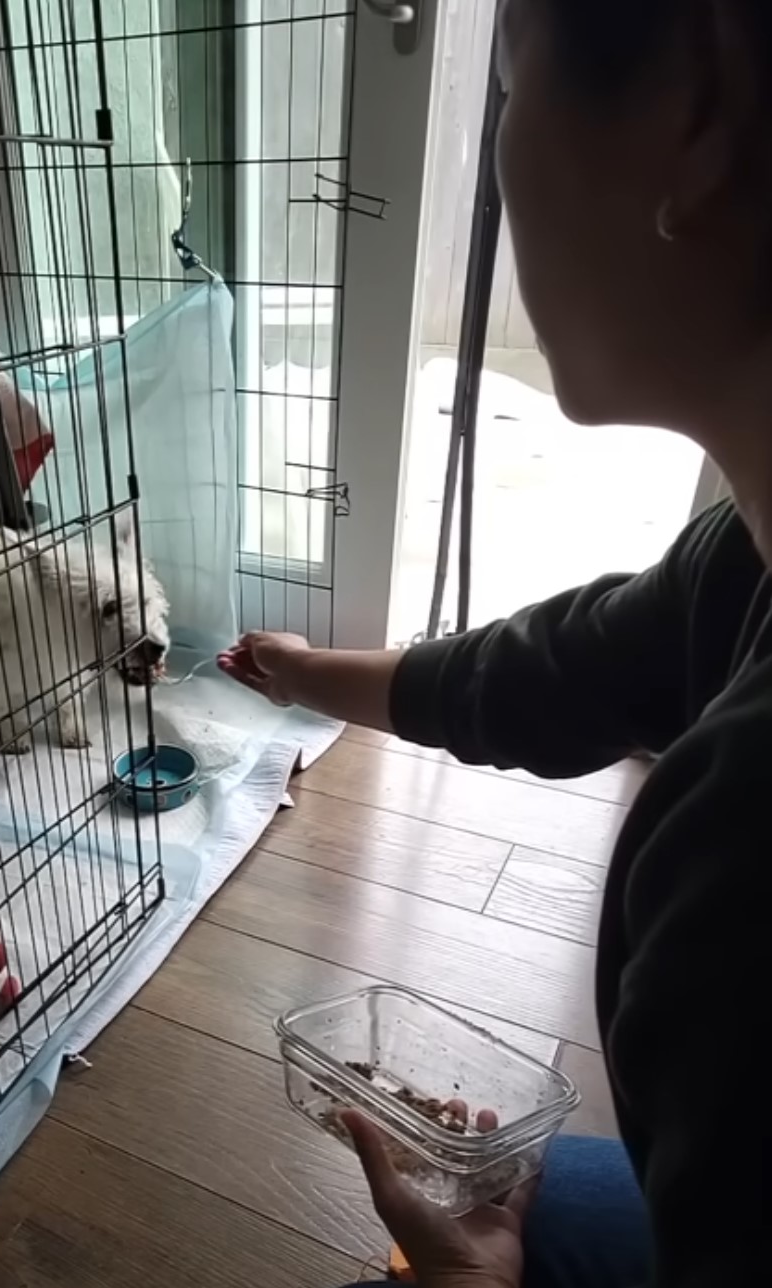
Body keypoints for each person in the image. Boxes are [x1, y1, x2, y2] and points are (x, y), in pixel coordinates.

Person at [219, 2, 770, 1286]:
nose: (500, 156)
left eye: (510, 86)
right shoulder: (741, 560)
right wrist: (305, 675)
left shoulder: (740, 842)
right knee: (556, 1179)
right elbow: (547, 672)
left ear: (697, 112)